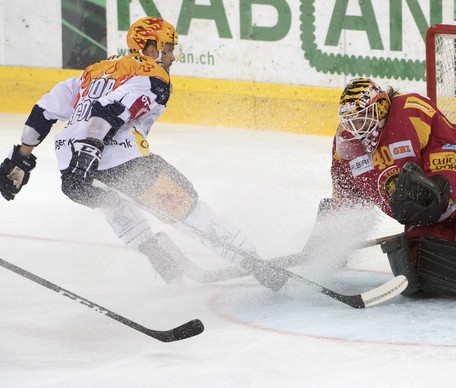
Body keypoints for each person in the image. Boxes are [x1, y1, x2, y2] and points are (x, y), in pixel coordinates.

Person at [0, 16, 286, 291]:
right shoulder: (152, 74)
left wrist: (20, 160)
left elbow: (44, 110)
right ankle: (256, 264)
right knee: (190, 211)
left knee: (113, 202)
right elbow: (109, 111)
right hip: (115, 160)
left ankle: (156, 253)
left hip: (71, 174)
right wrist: (89, 154)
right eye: (169, 48)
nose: (173, 57)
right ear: (151, 48)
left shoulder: (93, 72)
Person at [330, 77, 456, 295]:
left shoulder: (409, 110)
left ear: (380, 107)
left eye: (362, 118)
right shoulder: (346, 143)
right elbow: (347, 194)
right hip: (425, 208)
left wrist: (440, 186)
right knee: (420, 269)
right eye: (352, 121)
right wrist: (333, 240)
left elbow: (446, 146)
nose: (357, 127)